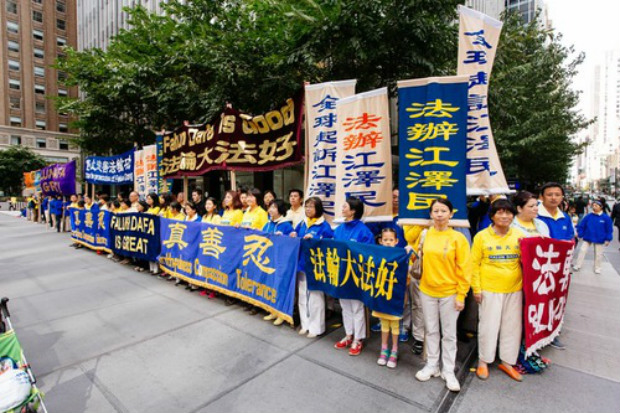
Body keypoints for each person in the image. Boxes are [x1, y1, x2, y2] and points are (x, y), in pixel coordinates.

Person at [413, 198, 471, 392]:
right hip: (427, 290)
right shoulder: (425, 234)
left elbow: (465, 269)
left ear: (451, 214)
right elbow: (416, 256)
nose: (439, 214)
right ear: (430, 214)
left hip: (450, 292)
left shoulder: (458, 238)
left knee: (449, 334)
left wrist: (462, 295)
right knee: (430, 330)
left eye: (443, 210)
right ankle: (432, 365)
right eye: (435, 211)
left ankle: (448, 370)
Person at [472, 199, 524, 382]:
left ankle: (508, 362)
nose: (504, 216)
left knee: (512, 327)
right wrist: (476, 289)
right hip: (489, 289)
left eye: (508, 212)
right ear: (492, 216)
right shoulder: (481, 237)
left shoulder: (519, 235)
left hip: (515, 289)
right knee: (488, 326)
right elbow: (474, 265)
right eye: (500, 212)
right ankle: (484, 361)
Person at [333, 197, 374, 356]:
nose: (342, 208)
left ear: (353, 211)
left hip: (356, 275)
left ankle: (358, 338)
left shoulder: (364, 231)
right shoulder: (339, 229)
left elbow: (368, 253)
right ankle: (348, 334)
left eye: (345, 206)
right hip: (341, 274)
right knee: (345, 306)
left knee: (357, 308)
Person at [536, 182, 575, 350]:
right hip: (539, 268)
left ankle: (552, 333)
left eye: (557, 195)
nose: (553, 198)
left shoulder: (564, 217)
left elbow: (570, 240)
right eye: (549, 194)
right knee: (538, 302)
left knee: (555, 301)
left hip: (558, 269)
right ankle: (535, 335)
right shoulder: (535, 215)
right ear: (542, 197)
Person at [291, 197, 334, 338]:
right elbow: (295, 235)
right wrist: (293, 235)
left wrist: (316, 239)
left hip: (316, 266)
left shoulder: (324, 226)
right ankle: (305, 324)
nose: (308, 209)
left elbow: (329, 244)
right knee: (302, 295)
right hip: (302, 264)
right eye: (306, 206)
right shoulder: (302, 223)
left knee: (315, 296)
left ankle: (317, 328)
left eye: (311, 206)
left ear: (318, 209)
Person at [374, 228, 407, 369]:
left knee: (394, 325)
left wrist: (404, 298)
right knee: (384, 324)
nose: (388, 242)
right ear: (381, 241)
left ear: (396, 241)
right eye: (385, 240)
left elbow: (405, 280)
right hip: (382, 296)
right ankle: (384, 349)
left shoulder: (401, 257)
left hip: (395, 297)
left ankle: (394, 350)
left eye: (391, 240)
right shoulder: (377, 255)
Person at [261, 199, 294, 326]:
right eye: (270, 207)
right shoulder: (268, 224)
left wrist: (284, 237)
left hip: (281, 261)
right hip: (269, 260)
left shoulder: (286, 225)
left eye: (273, 207)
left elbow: (291, 241)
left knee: (281, 286)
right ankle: (273, 310)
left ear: (280, 210)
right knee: (272, 285)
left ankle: (281, 313)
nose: (270, 210)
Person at [573, 200, 613, 274]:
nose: (594, 207)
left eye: (596, 205)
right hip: (588, 236)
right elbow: (582, 225)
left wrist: (608, 239)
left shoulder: (606, 218)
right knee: (582, 250)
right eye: (593, 205)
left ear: (601, 207)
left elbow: (609, 229)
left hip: (600, 238)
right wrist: (580, 234)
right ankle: (578, 265)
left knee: (598, 254)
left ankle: (597, 268)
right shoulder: (588, 216)